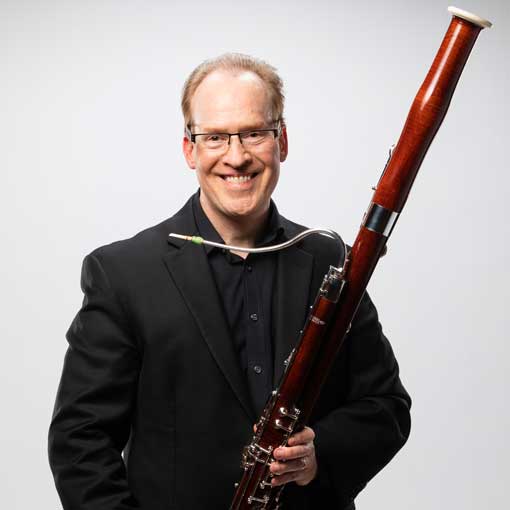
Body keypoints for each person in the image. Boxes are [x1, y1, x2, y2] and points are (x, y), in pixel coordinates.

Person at [48, 53, 411, 510]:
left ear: (281, 141)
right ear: (190, 149)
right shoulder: (123, 273)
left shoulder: (330, 261)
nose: (236, 157)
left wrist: (320, 454)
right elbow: (80, 442)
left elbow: (386, 406)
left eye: (254, 133)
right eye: (215, 137)